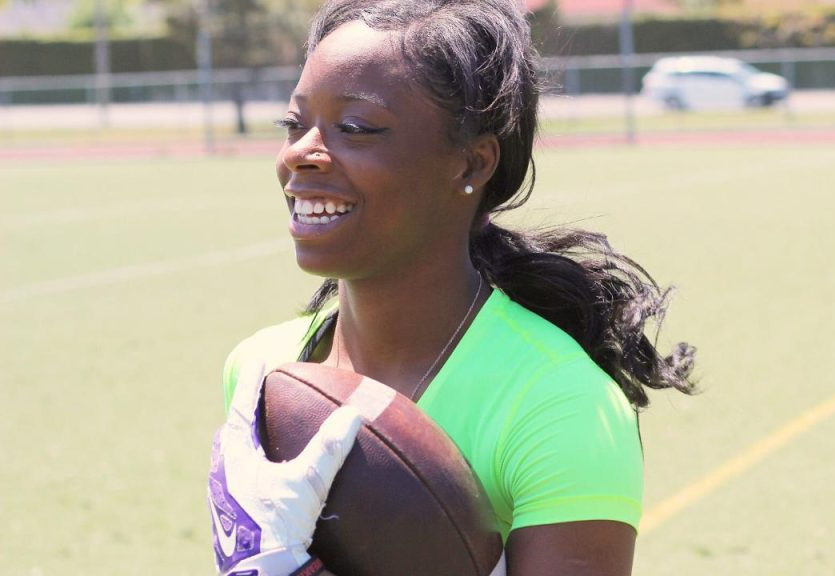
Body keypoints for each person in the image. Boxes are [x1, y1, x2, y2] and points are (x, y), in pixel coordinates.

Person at [207, 1, 696, 575]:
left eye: (355, 128)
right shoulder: (261, 370)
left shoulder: (559, 403)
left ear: (471, 164)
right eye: (294, 125)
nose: (299, 153)